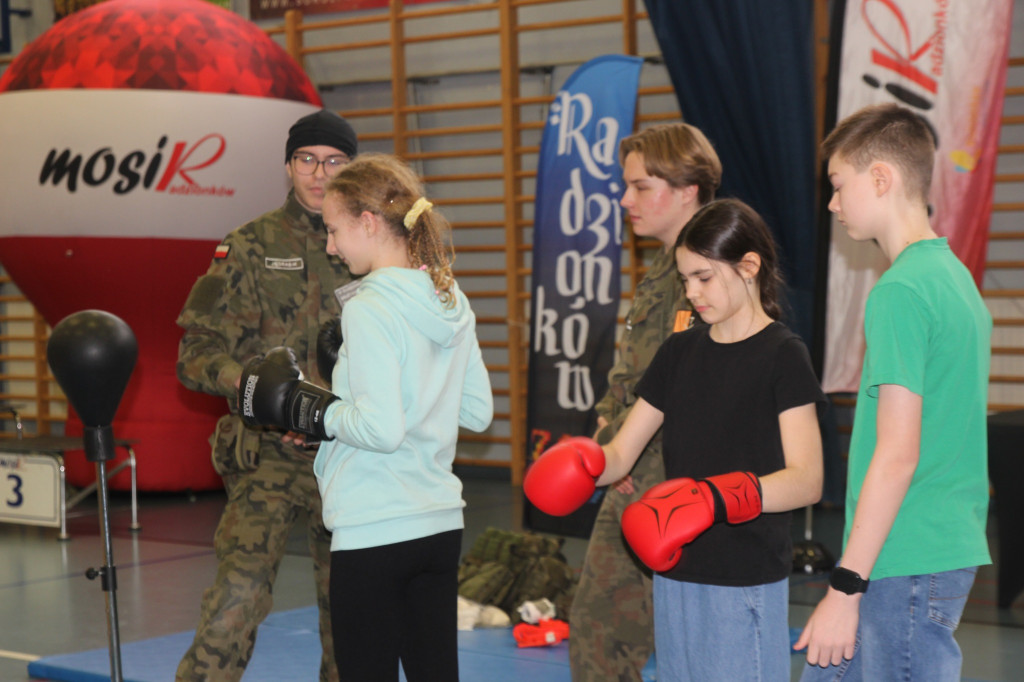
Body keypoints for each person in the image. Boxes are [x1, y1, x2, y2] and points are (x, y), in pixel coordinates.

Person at [525, 198, 825, 681]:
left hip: (743, 572)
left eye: (703, 277)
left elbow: (807, 481)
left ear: (749, 266)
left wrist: (714, 498)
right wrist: (586, 464)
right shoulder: (679, 352)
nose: (692, 292)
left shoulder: (782, 355)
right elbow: (623, 451)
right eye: (685, 279)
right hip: (673, 566)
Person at [236, 152, 494, 681]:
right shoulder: (450, 296)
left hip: (375, 526)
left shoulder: (370, 305)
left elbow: (380, 428)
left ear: (369, 223)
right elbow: (478, 411)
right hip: (440, 524)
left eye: (334, 230)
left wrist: (312, 410)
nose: (330, 245)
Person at [795, 103, 992, 680]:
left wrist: (846, 584)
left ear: (880, 178)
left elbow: (899, 452)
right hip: (927, 547)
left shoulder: (901, 292)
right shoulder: (954, 279)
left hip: (903, 556)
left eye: (838, 185)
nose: (832, 204)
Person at [174, 109, 358, 682]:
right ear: (288, 166)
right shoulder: (247, 246)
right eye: (307, 159)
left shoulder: (370, 245)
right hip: (266, 455)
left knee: (352, 616)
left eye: (333, 161)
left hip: (347, 453)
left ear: (352, 168)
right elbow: (194, 352)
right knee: (237, 598)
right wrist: (247, 382)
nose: (318, 173)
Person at [569, 122, 722, 681]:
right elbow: (634, 376)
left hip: (681, 489)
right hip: (635, 474)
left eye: (640, 186)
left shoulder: (715, 270)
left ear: (686, 190)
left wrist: (630, 451)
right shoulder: (663, 270)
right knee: (601, 633)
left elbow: (717, 390)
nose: (624, 198)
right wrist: (612, 431)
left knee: (637, 638)